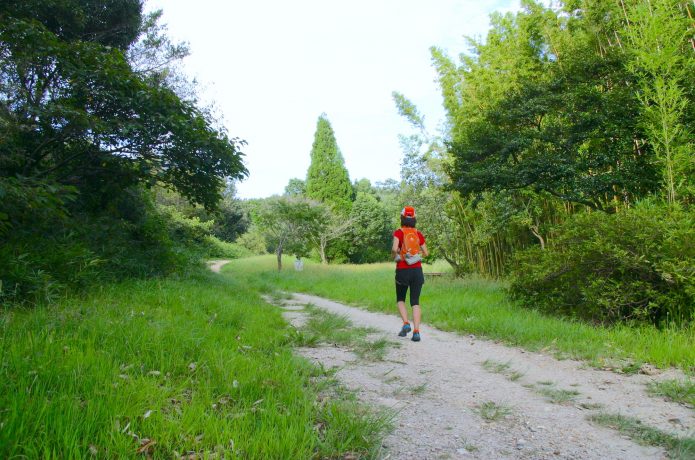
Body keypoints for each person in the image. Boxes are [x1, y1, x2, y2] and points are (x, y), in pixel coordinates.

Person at [391, 206, 429, 342]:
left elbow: (394, 249)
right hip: (417, 271)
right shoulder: (418, 233)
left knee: (400, 299)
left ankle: (406, 323)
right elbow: (426, 252)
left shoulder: (399, 232)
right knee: (415, 302)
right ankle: (417, 332)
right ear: (414, 218)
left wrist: (397, 256)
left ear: (402, 218)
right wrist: (416, 256)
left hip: (402, 270)